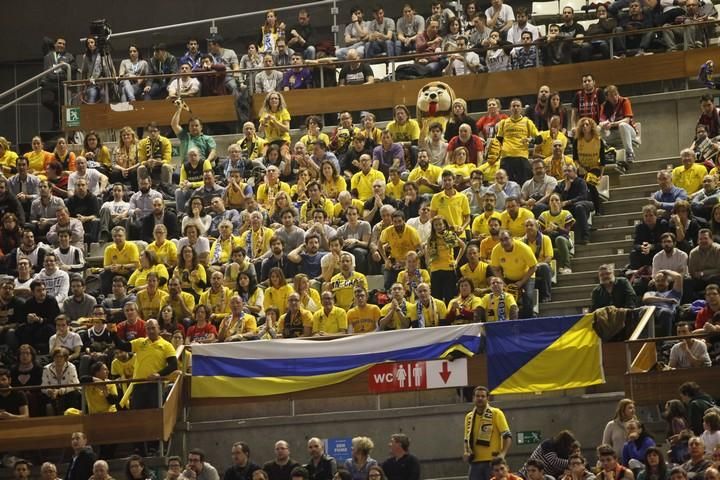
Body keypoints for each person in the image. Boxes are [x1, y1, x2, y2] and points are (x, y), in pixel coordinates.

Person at [111, 318, 178, 411]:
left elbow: (173, 365)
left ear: (158, 328)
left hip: (155, 385)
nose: (151, 331)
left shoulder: (167, 345)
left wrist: (159, 374)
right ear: (145, 330)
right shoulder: (140, 342)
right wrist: (113, 332)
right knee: (137, 414)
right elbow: (121, 346)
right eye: (148, 328)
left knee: (155, 413)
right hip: (138, 384)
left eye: (153, 328)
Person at [464, 386, 512, 480]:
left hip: (492, 462)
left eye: (483, 396)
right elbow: (467, 439)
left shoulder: (496, 413)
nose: (480, 398)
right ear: (473, 398)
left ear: (487, 398)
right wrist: (466, 452)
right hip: (475, 462)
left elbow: (507, 436)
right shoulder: (469, 417)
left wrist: (502, 454)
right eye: (477, 396)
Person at [41, 37, 75, 129]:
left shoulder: (69, 56)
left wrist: (64, 66)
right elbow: (45, 40)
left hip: (61, 83)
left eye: (64, 44)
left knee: (62, 105)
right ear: (55, 45)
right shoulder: (48, 54)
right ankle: (59, 112)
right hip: (50, 82)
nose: (62, 46)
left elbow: (74, 67)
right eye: (59, 43)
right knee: (46, 101)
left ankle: (56, 127)